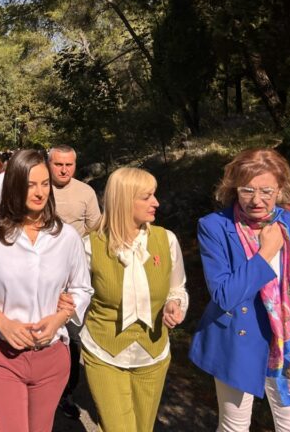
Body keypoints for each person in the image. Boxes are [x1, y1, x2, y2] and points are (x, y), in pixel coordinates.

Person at [189, 149, 290, 431]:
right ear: (233, 188)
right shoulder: (214, 226)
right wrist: (265, 253)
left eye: (266, 191)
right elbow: (224, 294)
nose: (256, 200)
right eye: (247, 190)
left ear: (281, 188)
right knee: (234, 427)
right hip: (238, 340)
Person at [0, 149, 92, 432]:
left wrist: (59, 318)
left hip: (52, 357)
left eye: (45, 184)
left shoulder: (67, 237)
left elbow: (83, 288)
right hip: (3, 355)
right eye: (31, 184)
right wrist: (2, 322)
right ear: (14, 186)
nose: (40, 192)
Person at [69, 167, 187, 432]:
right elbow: (76, 294)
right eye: (146, 197)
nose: (156, 202)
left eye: (154, 195)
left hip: (153, 354)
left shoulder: (167, 240)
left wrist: (175, 304)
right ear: (123, 200)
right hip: (104, 352)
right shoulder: (89, 245)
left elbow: (177, 289)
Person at [47, 144, 102, 419]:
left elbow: (96, 230)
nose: (64, 170)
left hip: (75, 276)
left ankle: (66, 391)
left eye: (69, 165)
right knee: (45, 331)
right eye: (58, 164)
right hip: (41, 273)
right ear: (49, 164)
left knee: (73, 334)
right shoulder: (39, 189)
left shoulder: (85, 192)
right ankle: (42, 385)